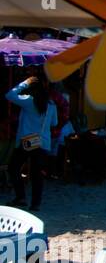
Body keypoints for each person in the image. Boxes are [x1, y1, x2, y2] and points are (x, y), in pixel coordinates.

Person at [6, 74, 57, 211]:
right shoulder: (51, 105)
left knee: (13, 168)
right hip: (42, 142)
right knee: (37, 175)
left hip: (26, 141)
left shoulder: (29, 101)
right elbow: (54, 123)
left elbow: (10, 95)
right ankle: (35, 204)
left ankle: (21, 197)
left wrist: (25, 83)